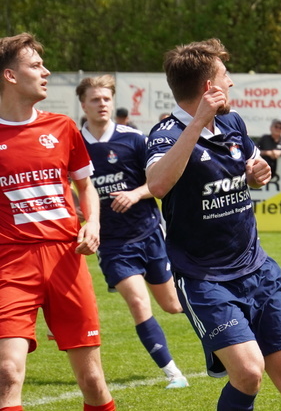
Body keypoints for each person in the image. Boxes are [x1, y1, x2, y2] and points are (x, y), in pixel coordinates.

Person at [146, 38, 281, 410]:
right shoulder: (165, 135)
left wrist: (259, 173)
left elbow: (256, 171)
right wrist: (197, 122)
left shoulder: (232, 121)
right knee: (248, 373)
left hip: (257, 269)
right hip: (205, 278)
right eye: (225, 76)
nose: (232, 84)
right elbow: (158, 184)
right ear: (208, 87)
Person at [0, 33, 116, 411]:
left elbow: (86, 186)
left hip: (66, 259)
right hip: (11, 263)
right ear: (10, 76)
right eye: (35, 65)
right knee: (8, 372)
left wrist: (93, 223)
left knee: (93, 381)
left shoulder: (63, 128)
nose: (46, 72)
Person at [76, 75, 189, 389]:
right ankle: (173, 374)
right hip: (112, 245)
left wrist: (135, 194)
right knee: (139, 303)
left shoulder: (134, 139)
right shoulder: (74, 144)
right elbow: (71, 186)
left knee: (174, 305)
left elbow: (158, 181)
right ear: (83, 104)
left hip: (149, 234)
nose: (102, 104)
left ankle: (225, 343)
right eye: (95, 100)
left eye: (106, 99)